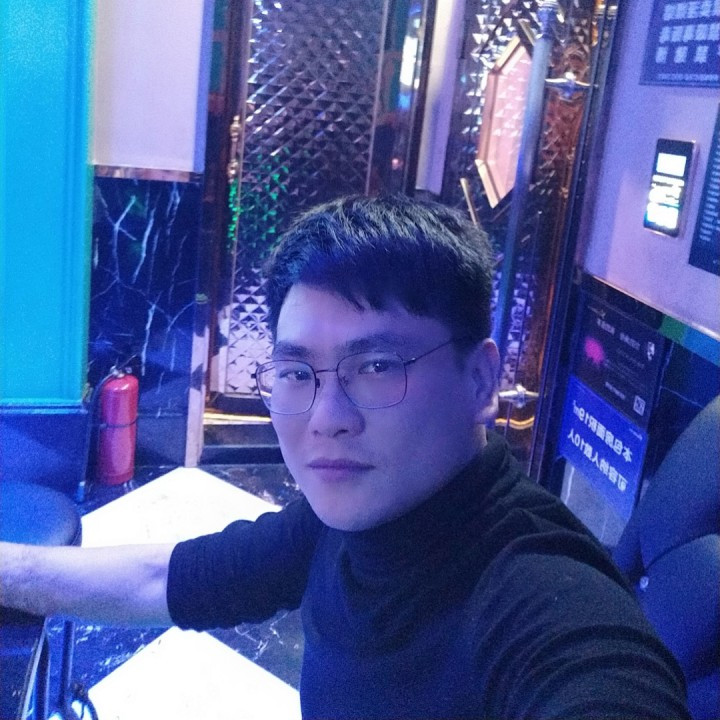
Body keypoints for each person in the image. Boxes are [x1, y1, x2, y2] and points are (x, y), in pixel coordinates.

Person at [1, 195, 689, 719]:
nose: (327, 418)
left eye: (378, 366)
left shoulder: (544, 607)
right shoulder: (347, 522)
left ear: (480, 381)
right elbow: (166, 579)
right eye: (296, 373)